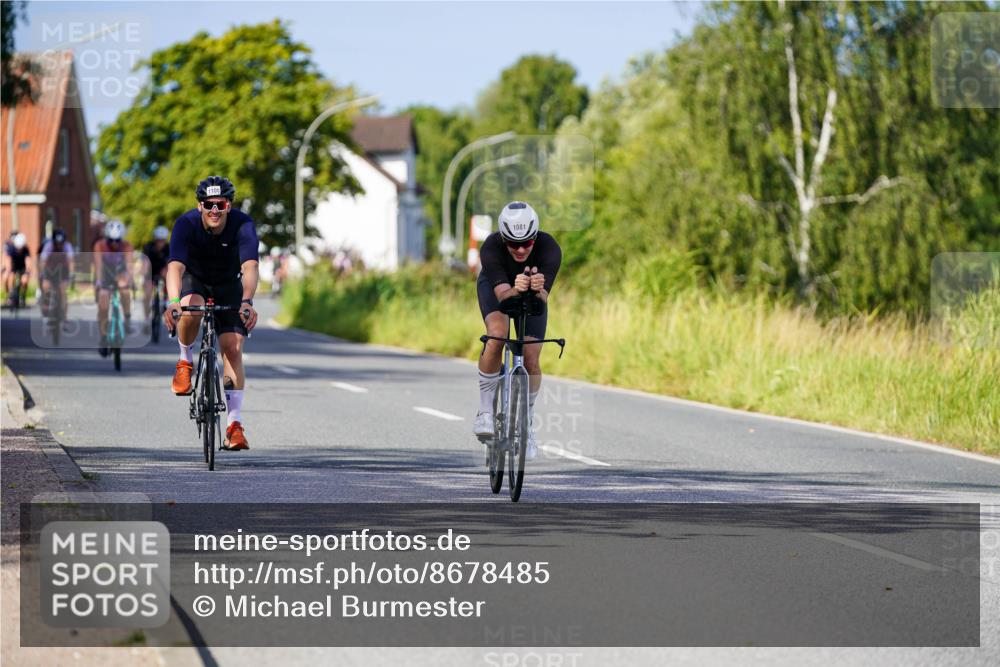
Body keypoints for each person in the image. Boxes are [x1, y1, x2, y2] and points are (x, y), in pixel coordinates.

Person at [163, 176, 259, 451]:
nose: (214, 210)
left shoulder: (243, 225)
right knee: (189, 307)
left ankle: (233, 426)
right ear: (199, 205)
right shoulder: (186, 224)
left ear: (229, 205)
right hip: (196, 280)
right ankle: (184, 361)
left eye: (221, 204)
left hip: (229, 283)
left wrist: (247, 301)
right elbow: (175, 268)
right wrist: (173, 302)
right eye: (209, 204)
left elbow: (250, 266)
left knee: (232, 346)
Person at [472, 201, 562, 458]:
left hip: (530, 293)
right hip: (497, 288)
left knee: (531, 358)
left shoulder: (549, 248)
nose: (521, 249)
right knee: (498, 334)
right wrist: (516, 287)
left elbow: (542, 299)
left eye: (527, 243)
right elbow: (503, 297)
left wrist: (536, 287)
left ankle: (527, 424)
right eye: (513, 244)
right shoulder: (491, 247)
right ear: (503, 238)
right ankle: (485, 412)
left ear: (535, 237)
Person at [93, 220, 134, 356]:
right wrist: (99, 282)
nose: (115, 244)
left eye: (118, 241)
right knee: (103, 301)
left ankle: (127, 318)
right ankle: (104, 337)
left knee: (125, 289)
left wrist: (130, 280)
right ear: (107, 238)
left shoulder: (127, 246)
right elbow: (98, 266)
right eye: (112, 241)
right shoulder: (99, 245)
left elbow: (129, 266)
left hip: (120, 273)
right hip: (104, 274)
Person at [38, 228, 75, 322]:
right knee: (46, 286)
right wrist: (42, 274)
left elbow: (70, 262)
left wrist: (72, 275)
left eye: (61, 243)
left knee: (63, 292)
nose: (59, 245)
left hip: (63, 270)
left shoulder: (67, 246)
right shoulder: (48, 246)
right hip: (50, 270)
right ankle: (47, 304)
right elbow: (43, 261)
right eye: (56, 243)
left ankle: (64, 316)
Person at [141, 226, 171, 334]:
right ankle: (146, 319)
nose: (160, 243)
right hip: (151, 271)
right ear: (155, 239)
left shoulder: (169, 248)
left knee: (168, 274)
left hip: (163, 270)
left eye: (162, 240)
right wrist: (145, 277)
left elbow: (170, 263)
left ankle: (166, 300)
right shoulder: (148, 247)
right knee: (147, 293)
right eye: (158, 240)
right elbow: (145, 263)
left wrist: (166, 273)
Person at [3, 232, 31, 307]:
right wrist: (8, 270)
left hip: (22, 268)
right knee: (9, 277)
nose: (19, 250)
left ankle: (23, 296)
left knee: (24, 280)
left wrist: (27, 271)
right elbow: (8, 260)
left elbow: (28, 260)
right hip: (14, 267)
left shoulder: (25, 249)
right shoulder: (11, 248)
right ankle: (10, 295)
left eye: (20, 248)